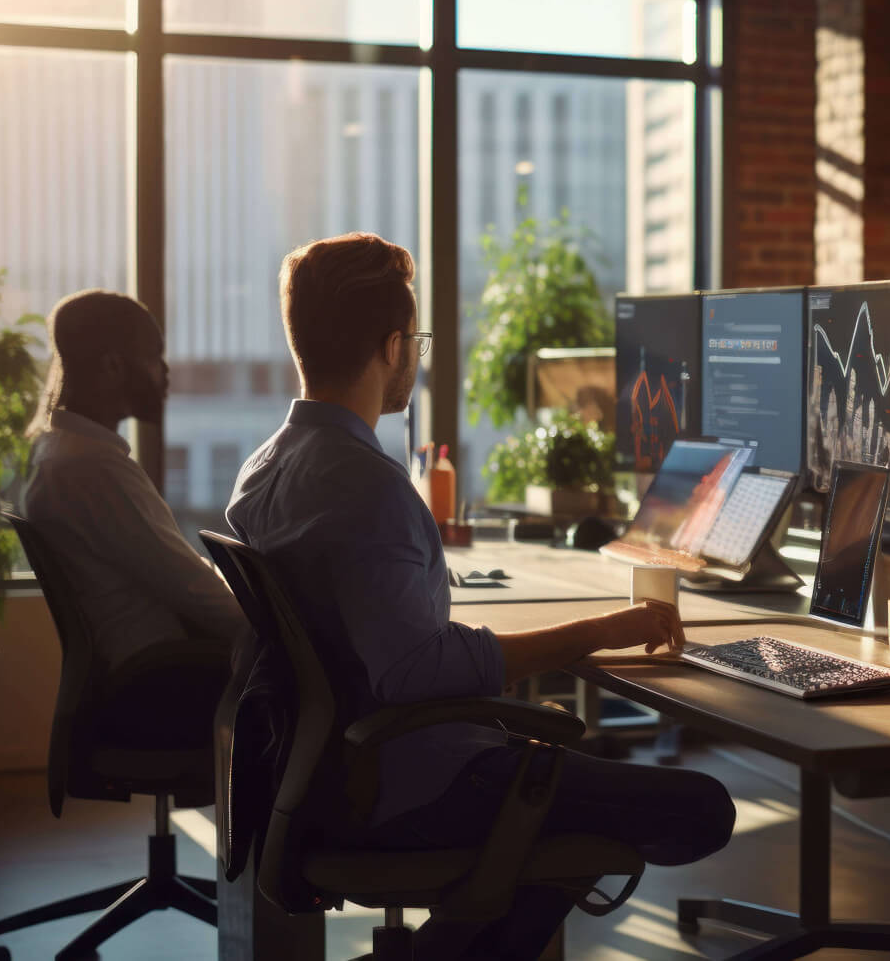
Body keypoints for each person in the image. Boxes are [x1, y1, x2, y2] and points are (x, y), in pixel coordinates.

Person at [227, 233, 733, 959]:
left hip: (323, 774)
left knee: (565, 810)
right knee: (701, 809)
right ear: (394, 346)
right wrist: (598, 629)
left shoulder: (263, 468)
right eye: (419, 342)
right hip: (412, 783)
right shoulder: (369, 485)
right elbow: (417, 672)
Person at [19, 289, 245, 745]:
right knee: (315, 674)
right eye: (153, 358)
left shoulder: (61, 453)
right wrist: (277, 627)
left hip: (153, 664)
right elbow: (191, 590)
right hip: (163, 678)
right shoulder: (91, 468)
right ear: (112, 366)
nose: (164, 373)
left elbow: (172, 570)